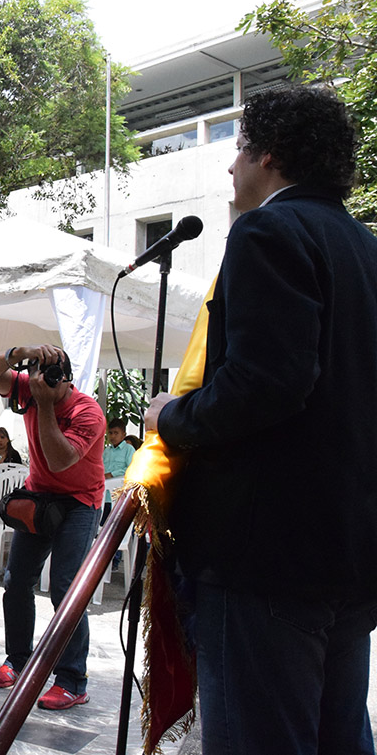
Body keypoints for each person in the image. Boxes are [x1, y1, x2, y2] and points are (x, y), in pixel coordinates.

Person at [145, 84, 377, 754]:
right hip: (350, 562)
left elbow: (265, 383)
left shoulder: (268, 231)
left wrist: (173, 416)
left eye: (237, 148)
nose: (229, 167)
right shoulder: (366, 248)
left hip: (266, 564)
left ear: (269, 153)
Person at [0, 345, 104, 711]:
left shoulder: (87, 412)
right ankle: (18, 660)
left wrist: (44, 404)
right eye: (35, 373)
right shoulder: (29, 387)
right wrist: (18, 352)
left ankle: (72, 679)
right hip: (40, 497)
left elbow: (60, 460)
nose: (39, 381)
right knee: (16, 581)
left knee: (66, 590)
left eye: (48, 376)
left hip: (79, 502)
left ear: (66, 380)